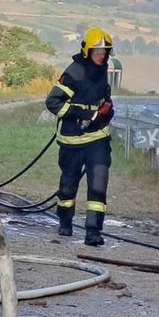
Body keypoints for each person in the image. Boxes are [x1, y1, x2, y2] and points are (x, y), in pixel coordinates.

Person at [45, 27, 115, 246]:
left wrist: (107, 112)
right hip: (72, 140)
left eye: (105, 52)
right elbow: (53, 102)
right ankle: (65, 222)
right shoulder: (73, 72)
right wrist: (85, 115)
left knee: (99, 184)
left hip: (98, 138)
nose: (101, 55)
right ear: (86, 50)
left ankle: (93, 231)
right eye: (97, 51)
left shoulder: (102, 71)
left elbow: (105, 99)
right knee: (68, 185)